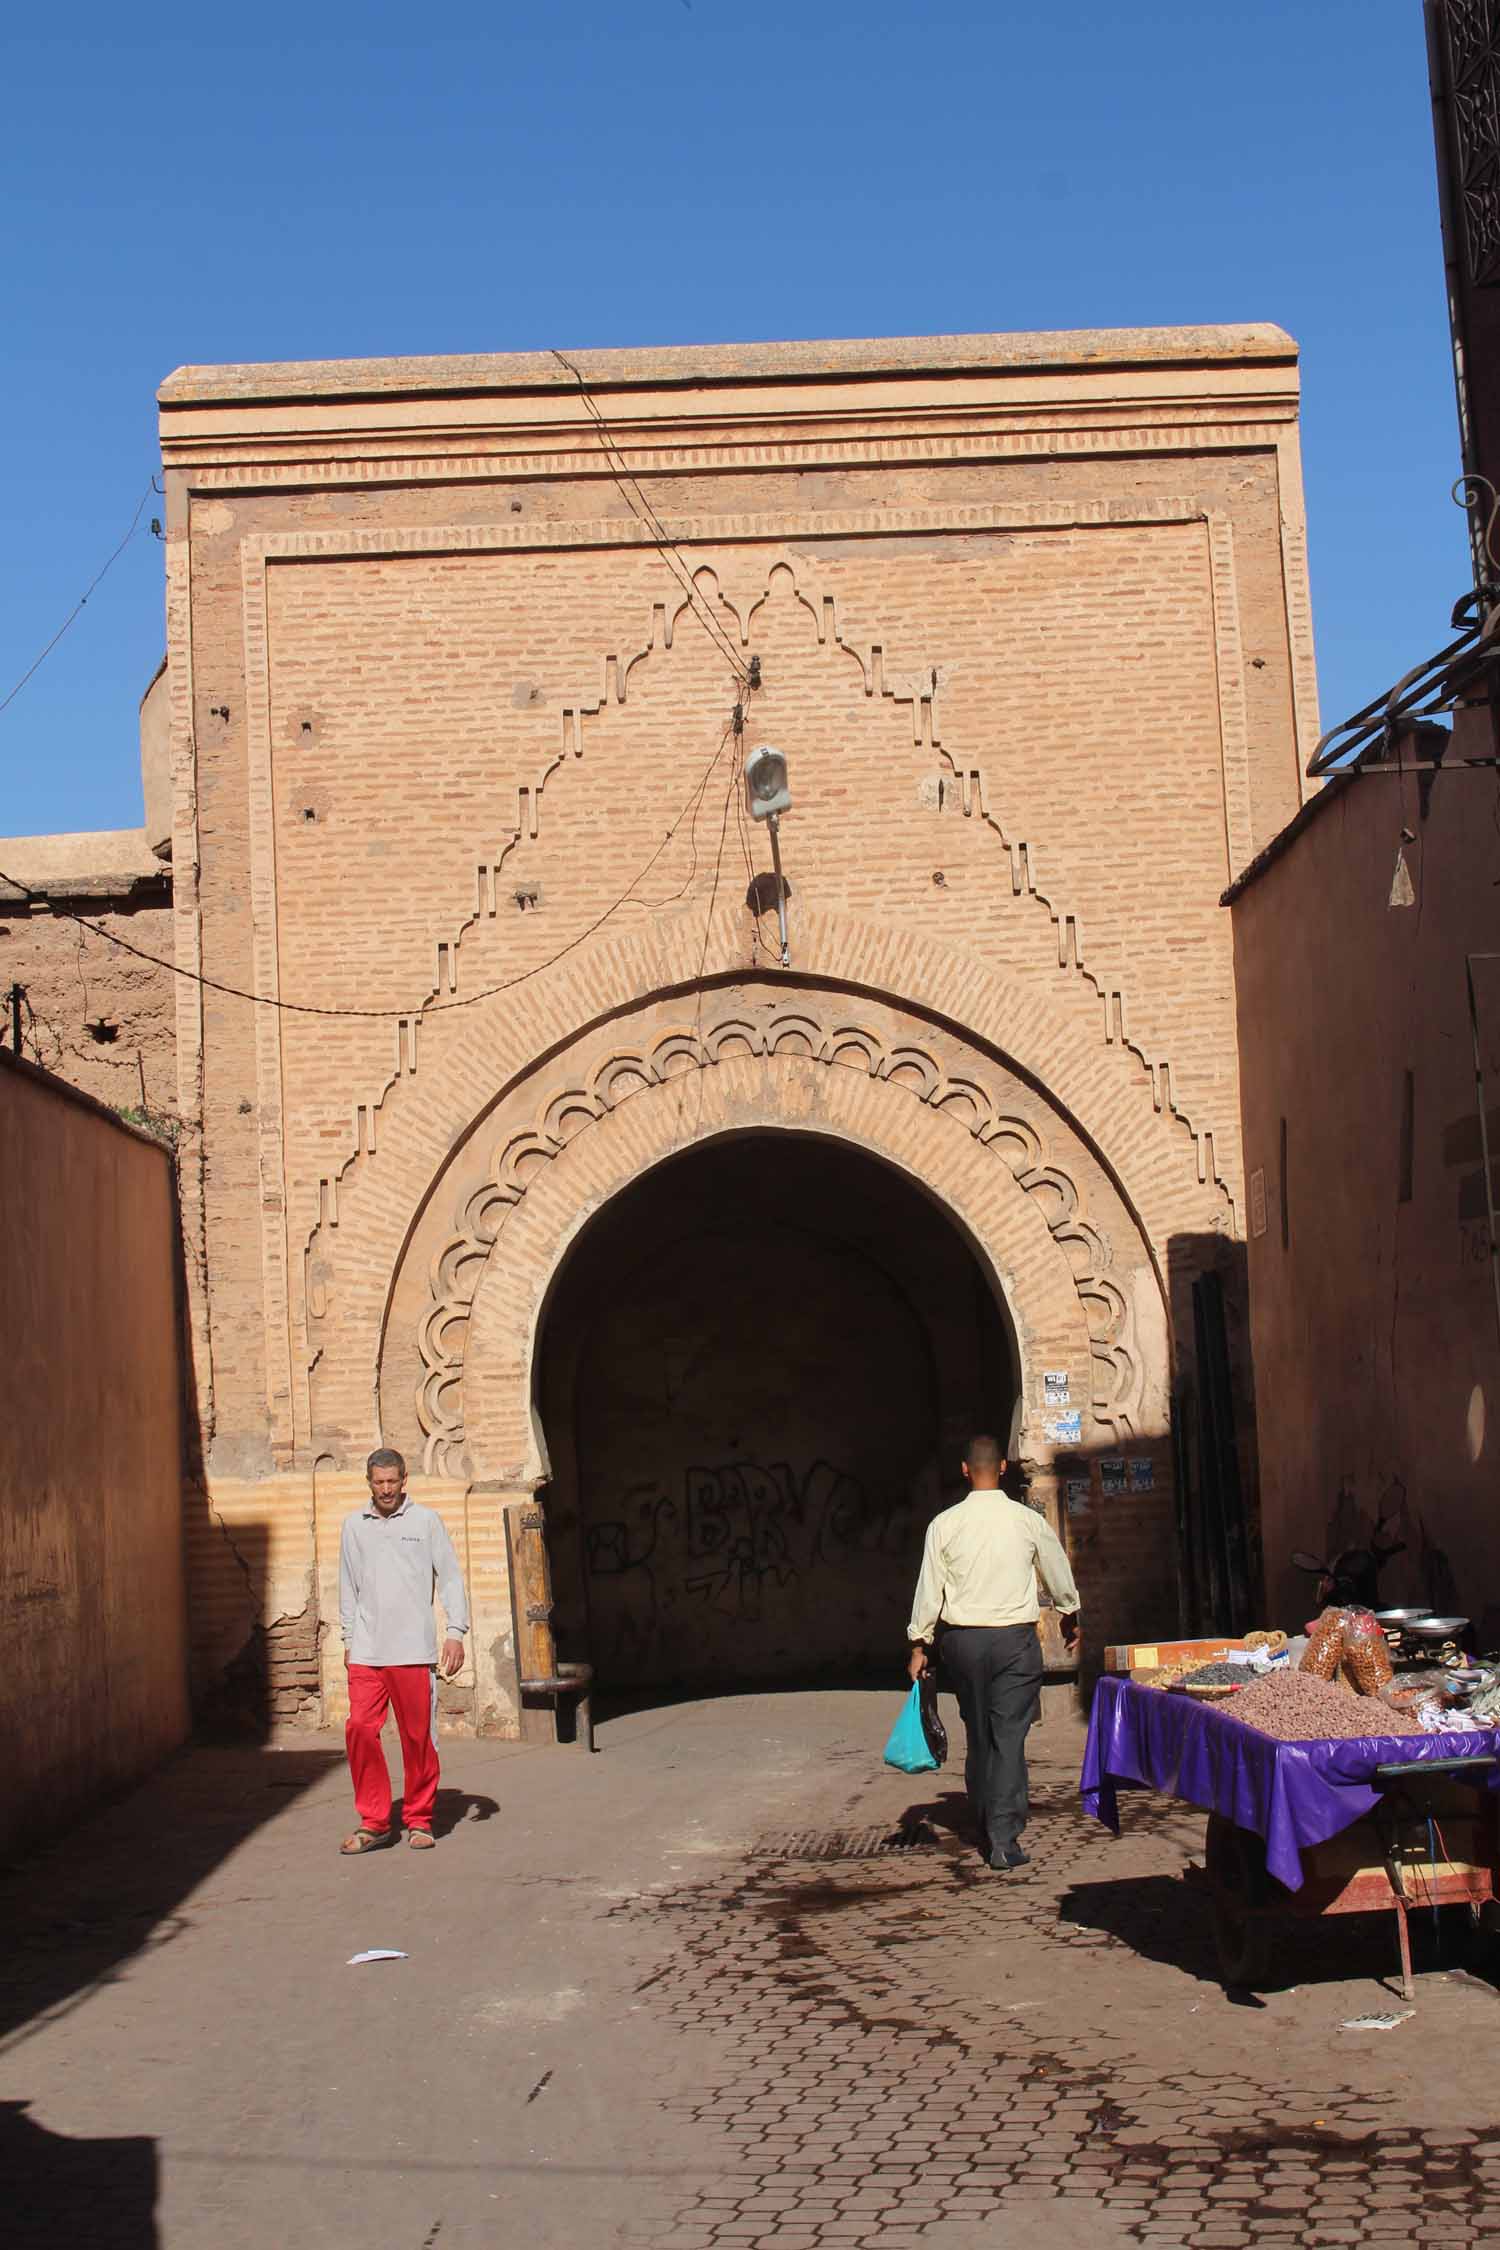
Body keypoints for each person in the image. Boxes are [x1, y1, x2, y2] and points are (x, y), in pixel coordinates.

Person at [905, 1434, 1080, 1872]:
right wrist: (1069, 1612)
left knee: (979, 1734)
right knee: (1008, 1738)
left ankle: (985, 1820)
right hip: (1013, 1644)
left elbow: (929, 1589)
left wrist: (919, 1642)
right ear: (1002, 1466)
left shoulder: (944, 1524)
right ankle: (1002, 1838)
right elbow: (1057, 1570)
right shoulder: (1026, 1520)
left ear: (965, 1470)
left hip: (962, 1644)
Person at [338, 1447, 469, 1856]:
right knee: (359, 1728)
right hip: (366, 1649)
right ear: (369, 1482)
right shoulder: (353, 1525)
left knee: (417, 1738)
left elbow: (449, 1577)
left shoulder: (425, 1521)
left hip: (413, 1650)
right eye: (379, 1482)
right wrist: (347, 1640)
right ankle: (375, 1821)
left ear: (404, 1478)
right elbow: (347, 1585)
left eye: (393, 1481)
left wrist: (455, 1632)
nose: (386, 1489)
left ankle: (418, 1818)